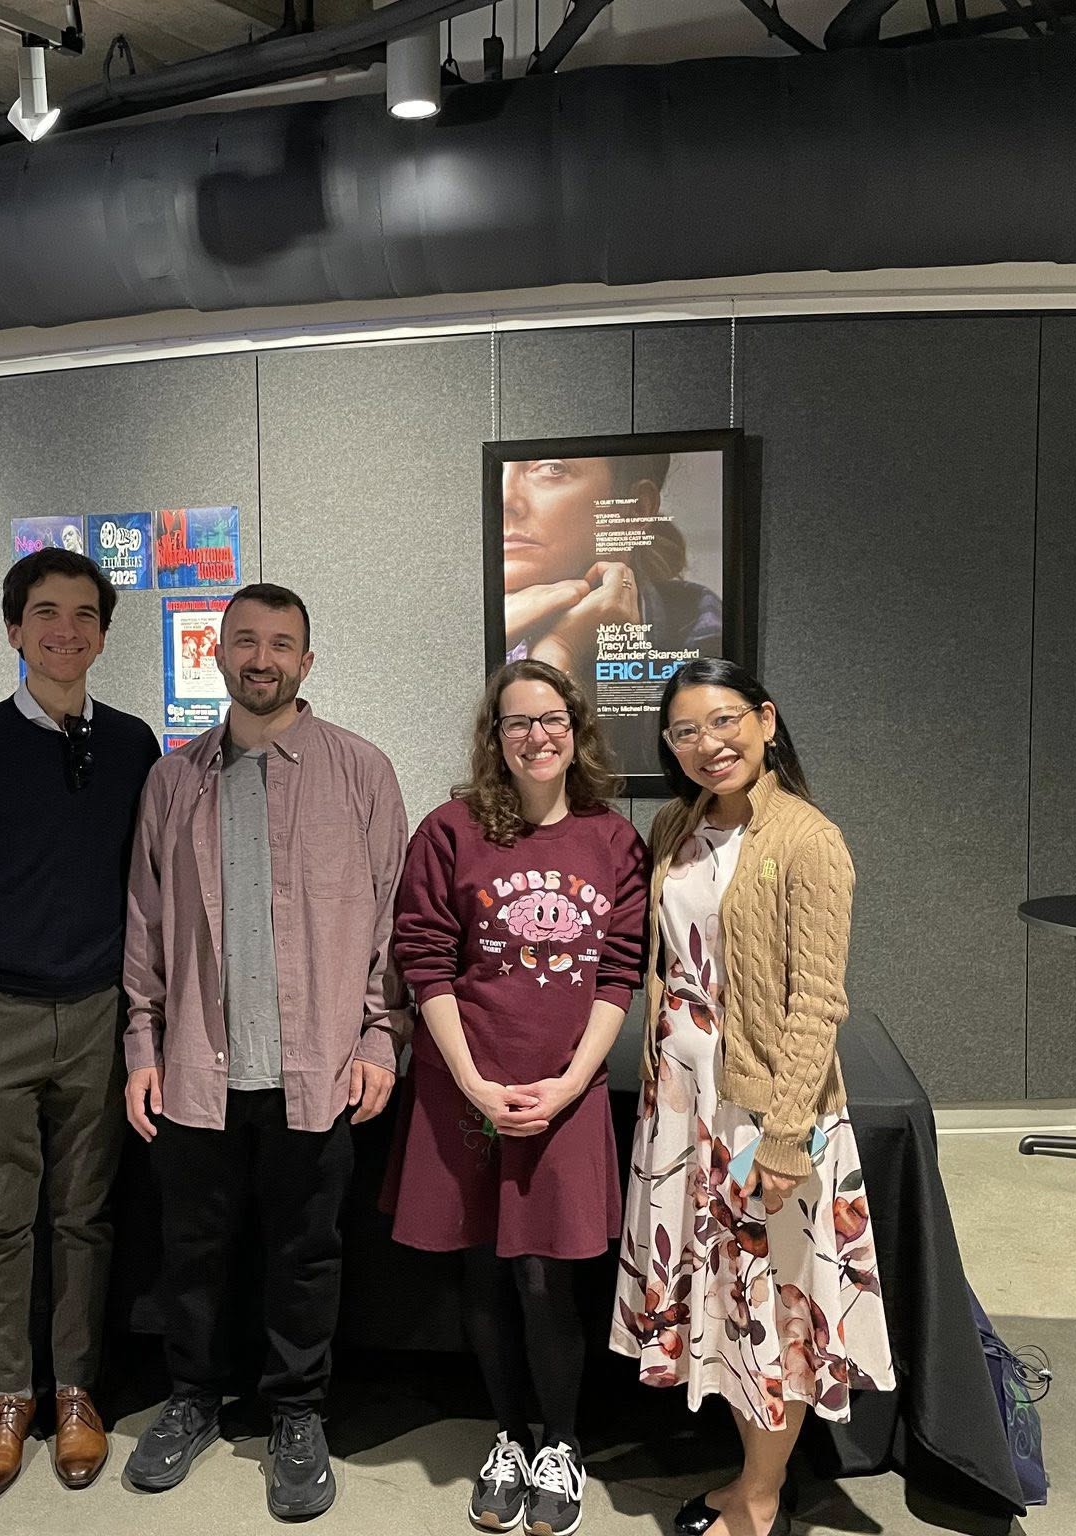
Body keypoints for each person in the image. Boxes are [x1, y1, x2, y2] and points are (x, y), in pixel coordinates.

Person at [119, 583, 408, 1522]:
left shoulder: (361, 773)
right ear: (218, 655)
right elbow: (145, 926)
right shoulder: (174, 781)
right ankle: (195, 1398)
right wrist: (142, 1042)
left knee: (307, 1250)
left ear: (306, 662)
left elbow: (393, 928)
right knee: (193, 1249)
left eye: (281, 643)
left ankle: (296, 1411)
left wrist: (378, 1036)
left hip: (317, 1068)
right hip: (198, 1065)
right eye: (244, 640)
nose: (261, 657)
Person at [611, 658, 893, 1536]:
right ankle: (748, 1474)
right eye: (687, 731)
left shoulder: (808, 839)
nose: (709, 744)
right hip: (682, 1110)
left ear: (766, 721)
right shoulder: (673, 826)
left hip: (765, 1114)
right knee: (721, 1301)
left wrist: (783, 1138)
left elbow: (818, 1002)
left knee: (770, 1303)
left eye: (725, 721)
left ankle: (764, 1495)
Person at [0, 547, 161, 1501]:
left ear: (102, 631)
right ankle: (10, 1395)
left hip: (97, 1012)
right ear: (15, 630)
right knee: (5, 1215)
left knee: (86, 1215)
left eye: (84, 614)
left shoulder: (134, 743)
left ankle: (77, 1393)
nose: (66, 630)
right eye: (46, 613)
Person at [381, 657, 646, 1536]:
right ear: (494, 738)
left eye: (552, 720)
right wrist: (472, 1080)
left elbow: (619, 971)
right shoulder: (449, 831)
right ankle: (507, 1435)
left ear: (577, 732)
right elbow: (423, 957)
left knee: (547, 1280)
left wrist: (573, 1083)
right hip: (466, 1086)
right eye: (517, 722)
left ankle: (561, 1443)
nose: (537, 736)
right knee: (486, 1270)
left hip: (562, 1093)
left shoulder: (613, 841)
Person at [500, 453, 724, 771]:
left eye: (552, 469)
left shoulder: (701, 631)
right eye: (502, 475)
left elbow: (572, 789)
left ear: (636, 509)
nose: (506, 501)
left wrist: (558, 650)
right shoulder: (478, 630)